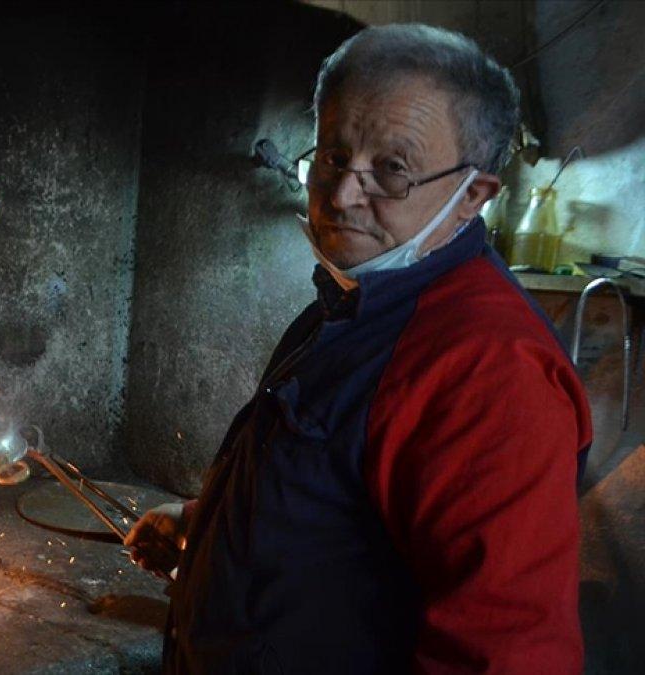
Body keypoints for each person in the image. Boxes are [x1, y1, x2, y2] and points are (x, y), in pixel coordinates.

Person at [125, 23, 592, 674]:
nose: (342, 196)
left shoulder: (489, 370)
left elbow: (506, 655)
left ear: (473, 196)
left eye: (391, 171)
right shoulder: (358, 298)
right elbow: (346, 500)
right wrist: (206, 525)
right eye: (333, 158)